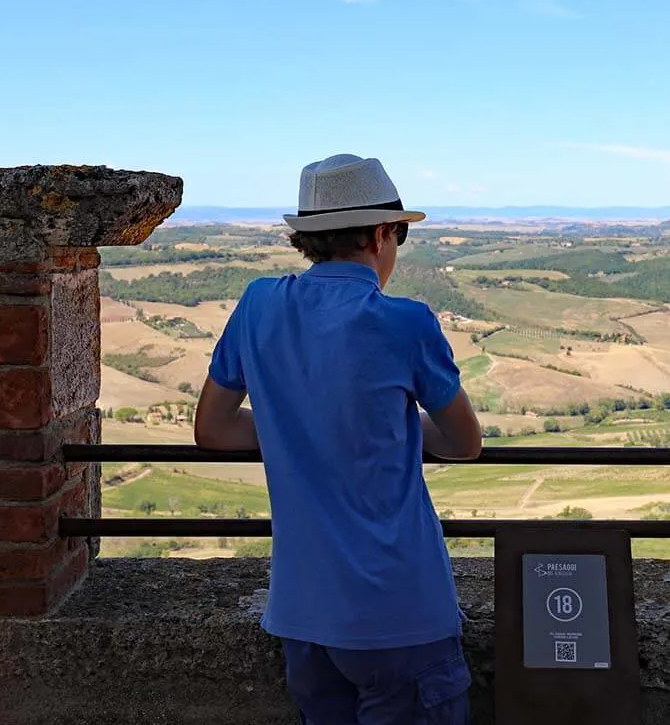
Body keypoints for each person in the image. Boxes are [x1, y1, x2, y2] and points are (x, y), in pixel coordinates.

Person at [194, 153, 483, 725]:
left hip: (302, 616)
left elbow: (214, 428)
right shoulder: (407, 322)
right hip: (400, 613)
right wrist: (388, 429)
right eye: (399, 236)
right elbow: (463, 441)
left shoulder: (257, 305)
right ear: (381, 234)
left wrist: (293, 425)